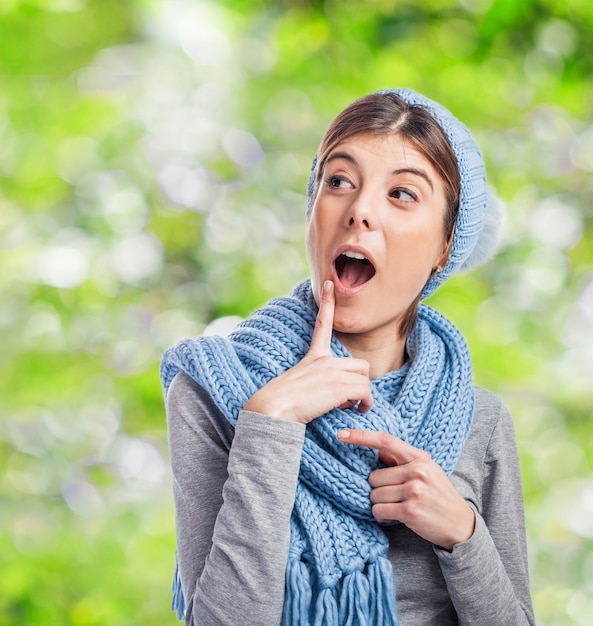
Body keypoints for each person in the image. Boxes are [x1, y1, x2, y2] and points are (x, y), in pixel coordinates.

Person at [161, 88, 535, 625]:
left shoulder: (482, 420)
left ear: (444, 247)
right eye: (339, 182)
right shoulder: (215, 389)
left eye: (402, 194)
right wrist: (271, 426)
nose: (359, 210)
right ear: (313, 210)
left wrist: (463, 534)